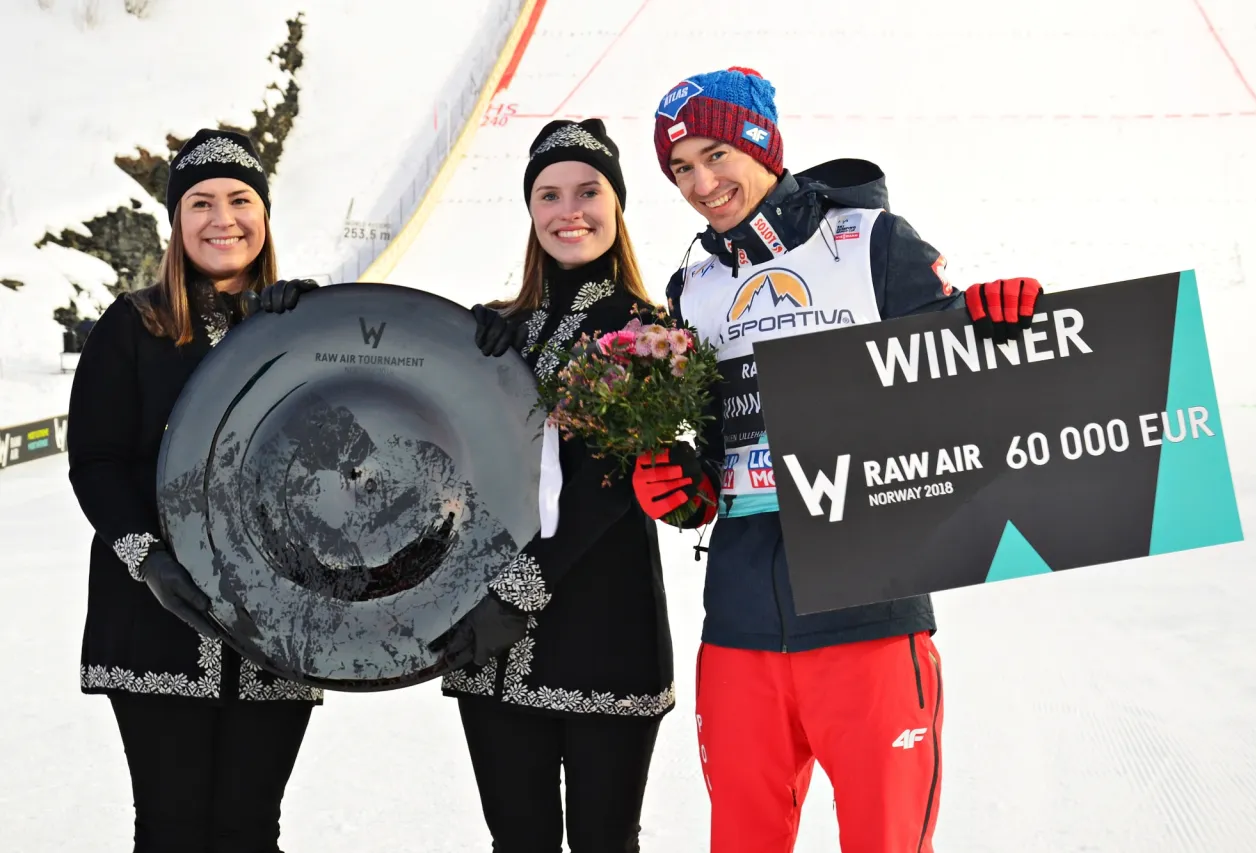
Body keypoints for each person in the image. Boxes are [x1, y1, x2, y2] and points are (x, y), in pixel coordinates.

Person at [629, 67, 1044, 853]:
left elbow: (961, 392)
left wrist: (1000, 329)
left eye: (717, 154)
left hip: (868, 614)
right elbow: (719, 456)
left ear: (764, 145)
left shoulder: (871, 243)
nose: (701, 183)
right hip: (743, 622)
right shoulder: (695, 289)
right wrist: (684, 488)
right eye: (680, 168)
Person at [257, 118, 676, 853]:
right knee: (518, 837)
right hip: (490, 636)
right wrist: (291, 320)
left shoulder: (643, 329)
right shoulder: (499, 329)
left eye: (588, 190)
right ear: (530, 209)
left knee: (606, 840)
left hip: (603, 622)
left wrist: (522, 591)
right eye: (548, 194)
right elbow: (405, 414)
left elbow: (611, 486)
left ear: (618, 204)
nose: (568, 210)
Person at [67, 128, 323, 853]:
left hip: (275, 619)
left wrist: (313, 331)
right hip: (156, 618)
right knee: (173, 827)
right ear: (177, 221)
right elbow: (95, 458)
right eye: (201, 202)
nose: (223, 219)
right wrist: (146, 557)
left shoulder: (298, 326)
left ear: (264, 215)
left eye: (241, 200)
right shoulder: (133, 327)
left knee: (248, 828)